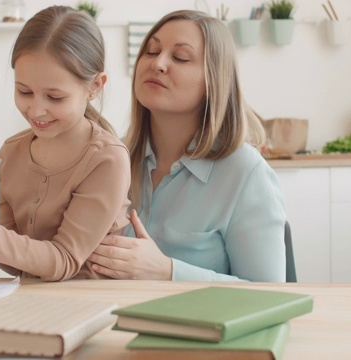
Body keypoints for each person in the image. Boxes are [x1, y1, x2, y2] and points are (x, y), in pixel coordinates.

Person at [88, 10, 287, 282]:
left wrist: (167, 271)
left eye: (180, 57)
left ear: (213, 80)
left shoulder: (245, 172)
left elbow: (271, 296)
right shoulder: (110, 159)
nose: (158, 63)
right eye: (151, 51)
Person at [0, 6, 131, 281]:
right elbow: (20, 266)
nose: (36, 110)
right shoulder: (11, 152)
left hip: (91, 309)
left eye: (54, 97)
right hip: (29, 305)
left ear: (94, 86)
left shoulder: (107, 160)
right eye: (24, 91)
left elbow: (63, 261)